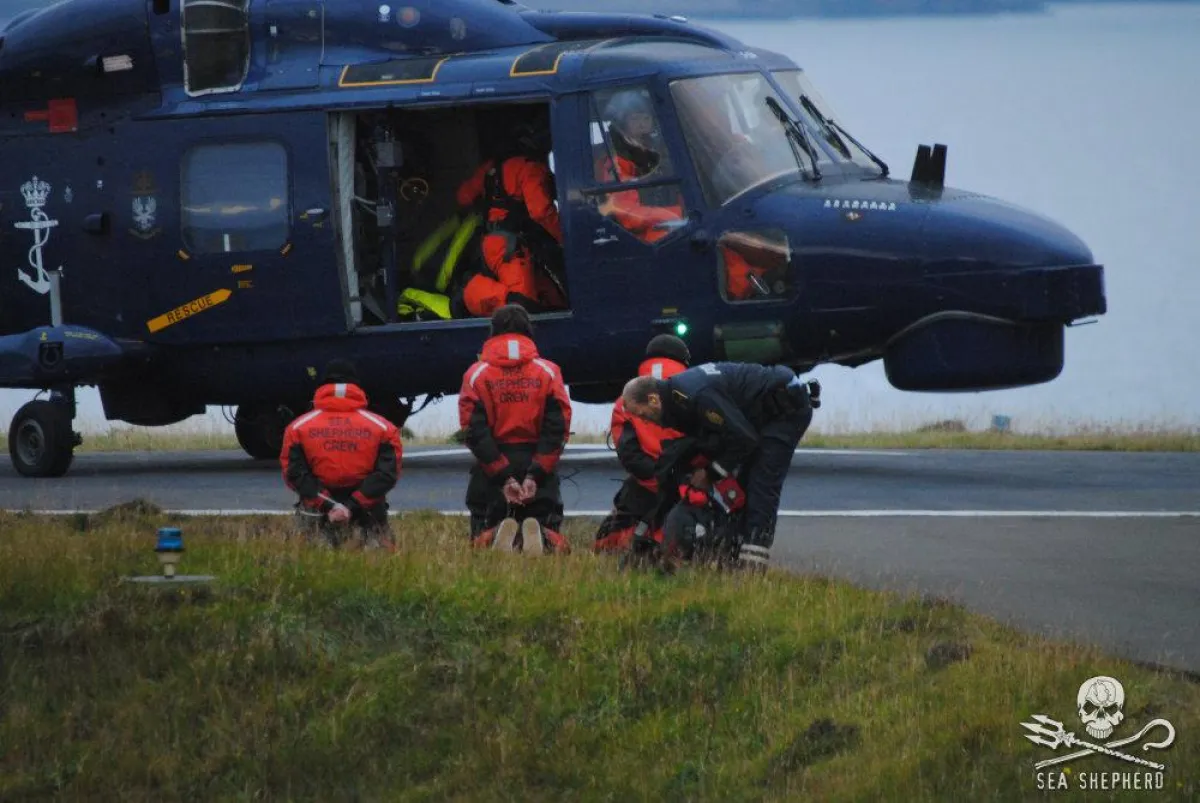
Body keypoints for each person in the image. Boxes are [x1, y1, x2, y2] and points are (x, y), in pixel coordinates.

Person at [620, 361, 820, 571]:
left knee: (760, 483)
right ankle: (735, 552)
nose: (645, 422)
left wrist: (711, 473)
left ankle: (752, 567)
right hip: (755, 416)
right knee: (742, 487)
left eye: (642, 414)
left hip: (784, 411)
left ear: (653, 400)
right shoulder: (676, 400)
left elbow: (744, 439)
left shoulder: (695, 396)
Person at [458, 304, 573, 553]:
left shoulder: (476, 374)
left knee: (483, 522)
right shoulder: (549, 372)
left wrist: (503, 476)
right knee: (549, 520)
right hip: (536, 457)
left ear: (493, 332)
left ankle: (494, 534)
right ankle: (541, 535)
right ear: (529, 331)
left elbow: (473, 431)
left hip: (493, 463)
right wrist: (535, 475)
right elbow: (558, 427)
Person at [280, 359, 403, 547]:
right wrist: (352, 505)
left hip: (317, 511)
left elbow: (294, 475)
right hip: (368, 511)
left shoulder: (297, 428)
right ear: (357, 387)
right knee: (379, 568)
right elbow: (387, 475)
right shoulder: (384, 428)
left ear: (323, 386)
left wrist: (331, 505)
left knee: (309, 564)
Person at [455, 115, 566, 317]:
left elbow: (463, 197)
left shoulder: (491, 167)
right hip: (512, 248)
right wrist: (565, 237)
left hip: (488, 243)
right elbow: (540, 212)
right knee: (521, 305)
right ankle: (468, 296)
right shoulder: (530, 168)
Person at [593, 334, 691, 554]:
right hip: (684, 483)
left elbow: (628, 453)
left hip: (643, 485)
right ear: (682, 360)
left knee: (612, 534)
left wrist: (653, 477)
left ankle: (634, 540)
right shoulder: (693, 392)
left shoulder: (626, 401)